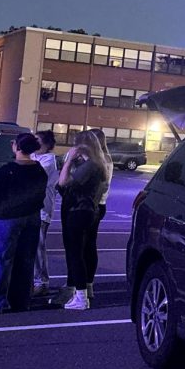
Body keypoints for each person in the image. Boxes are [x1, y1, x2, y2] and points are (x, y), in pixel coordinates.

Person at [57, 129, 111, 312]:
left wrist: (69, 161)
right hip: (88, 211)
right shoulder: (99, 164)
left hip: (79, 212)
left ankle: (81, 297)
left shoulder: (90, 167)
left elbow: (62, 183)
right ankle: (82, 293)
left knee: (75, 254)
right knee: (81, 251)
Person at [0, 133, 48, 313]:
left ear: (17, 147)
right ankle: (21, 300)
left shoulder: (7, 170)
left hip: (7, 219)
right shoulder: (39, 171)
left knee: (2, 259)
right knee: (25, 260)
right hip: (31, 218)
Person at [86, 128, 114, 302]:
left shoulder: (97, 161)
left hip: (92, 205)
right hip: (100, 205)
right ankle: (89, 283)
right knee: (90, 245)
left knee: (83, 246)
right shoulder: (108, 159)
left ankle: (83, 285)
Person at [32, 129, 60, 298]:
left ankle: (41, 282)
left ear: (46, 144)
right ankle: (33, 280)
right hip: (32, 208)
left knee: (38, 247)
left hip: (42, 210)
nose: (34, 143)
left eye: (37, 140)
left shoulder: (48, 160)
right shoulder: (35, 157)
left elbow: (34, 174)